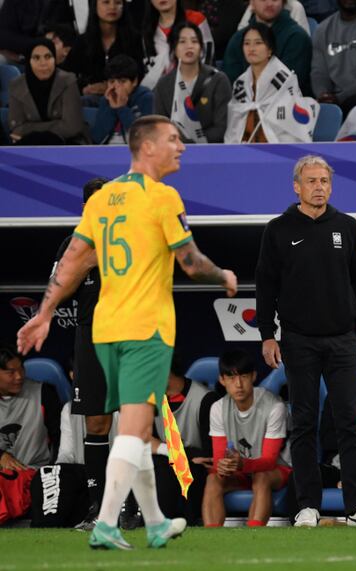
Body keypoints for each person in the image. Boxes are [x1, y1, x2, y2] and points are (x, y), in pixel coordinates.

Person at [16, 114, 238, 550]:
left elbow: (72, 261)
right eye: (172, 139)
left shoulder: (104, 201)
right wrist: (224, 275)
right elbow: (191, 263)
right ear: (147, 147)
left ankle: (152, 521)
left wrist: (44, 313)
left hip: (105, 330)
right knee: (134, 431)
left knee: (134, 431)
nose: (182, 147)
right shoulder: (161, 197)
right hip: (143, 329)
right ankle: (106, 521)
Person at [256, 154, 356, 527]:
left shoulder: (347, 226)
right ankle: (307, 506)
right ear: (296, 186)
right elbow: (265, 285)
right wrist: (267, 335)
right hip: (298, 341)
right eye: (311, 181)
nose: (319, 188)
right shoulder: (278, 229)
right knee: (304, 424)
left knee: (350, 423)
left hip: (343, 339)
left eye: (324, 181)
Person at [52, 177, 111, 531]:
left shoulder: (134, 238)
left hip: (130, 336)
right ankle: (99, 507)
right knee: (96, 423)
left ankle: (135, 506)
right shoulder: (72, 245)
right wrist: (85, 264)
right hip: (90, 337)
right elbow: (57, 292)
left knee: (137, 421)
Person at [285, 342, 356, 521]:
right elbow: (328, 438)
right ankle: (300, 525)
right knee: (297, 476)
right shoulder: (337, 393)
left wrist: (354, 433)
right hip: (337, 464)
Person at [201, 349, 291, 528]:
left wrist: (242, 464)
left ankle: (253, 533)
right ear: (222, 380)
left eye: (243, 376)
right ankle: (212, 535)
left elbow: (269, 461)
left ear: (253, 376)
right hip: (241, 470)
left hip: (276, 470)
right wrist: (223, 465)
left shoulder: (274, 407)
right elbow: (219, 458)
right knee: (213, 479)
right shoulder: (218, 408)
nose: (239, 384)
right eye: (231, 378)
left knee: (261, 477)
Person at [151, 352, 219, 524]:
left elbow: (208, 454)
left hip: (197, 471)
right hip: (165, 464)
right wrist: (176, 453)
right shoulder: (150, 400)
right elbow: (144, 441)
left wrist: (174, 454)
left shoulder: (205, 399)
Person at [225, 23, 318, 144]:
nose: (251, 48)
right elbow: (234, 123)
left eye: (258, 43)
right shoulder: (240, 83)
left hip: (278, 146)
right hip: (245, 146)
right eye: (247, 43)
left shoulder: (284, 80)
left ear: (269, 49)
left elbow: (290, 124)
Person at [0, 344, 62, 525]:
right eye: (10, 372)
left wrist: (51, 474)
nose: (19, 376)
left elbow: (60, 438)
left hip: (32, 472)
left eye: (21, 369)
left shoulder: (43, 393)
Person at [153, 21, 231, 144]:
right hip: (174, 149)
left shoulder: (218, 80)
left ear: (201, 47)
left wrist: (191, 142)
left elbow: (221, 128)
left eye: (194, 41)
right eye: (182, 41)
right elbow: (159, 126)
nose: (189, 46)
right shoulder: (163, 84)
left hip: (209, 149)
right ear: (174, 48)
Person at [8, 39, 89, 146]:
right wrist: (56, 125)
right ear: (28, 61)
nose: (43, 63)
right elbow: (16, 127)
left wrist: (30, 130)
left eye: (48, 57)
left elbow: (72, 127)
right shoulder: (17, 85)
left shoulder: (68, 81)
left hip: (67, 144)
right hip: (30, 145)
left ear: (54, 59)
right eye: (36, 58)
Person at [223, 0, 313, 95]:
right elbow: (230, 85)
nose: (269, 3)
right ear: (252, 3)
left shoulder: (297, 38)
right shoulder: (238, 39)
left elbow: (287, 86)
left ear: (283, 2)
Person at [64, 0, 144, 98]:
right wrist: (85, 88)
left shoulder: (135, 40)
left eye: (118, 2)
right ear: (95, 6)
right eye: (106, 2)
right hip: (88, 99)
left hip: (127, 98)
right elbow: (68, 74)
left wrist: (110, 86)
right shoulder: (82, 41)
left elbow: (139, 74)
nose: (112, 7)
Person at [141, 0, 215, 90]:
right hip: (162, 90)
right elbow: (150, 69)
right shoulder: (148, 31)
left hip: (199, 87)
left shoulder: (196, 19)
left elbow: (207, 59)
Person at [92, 55, 154, 145]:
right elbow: (97, 139)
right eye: (112, 82)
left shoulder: (147, 98)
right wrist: (112, 108)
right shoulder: (105, 100)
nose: (116, 87)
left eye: (122, 81)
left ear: (134, 81)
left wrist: (122, 108)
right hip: (107, 150)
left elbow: (144, 138)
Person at [238, 0, 311, 35]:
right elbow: (241, 34)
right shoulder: (255, 5)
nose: (269, 4)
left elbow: (304, 43)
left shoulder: (295, 7)